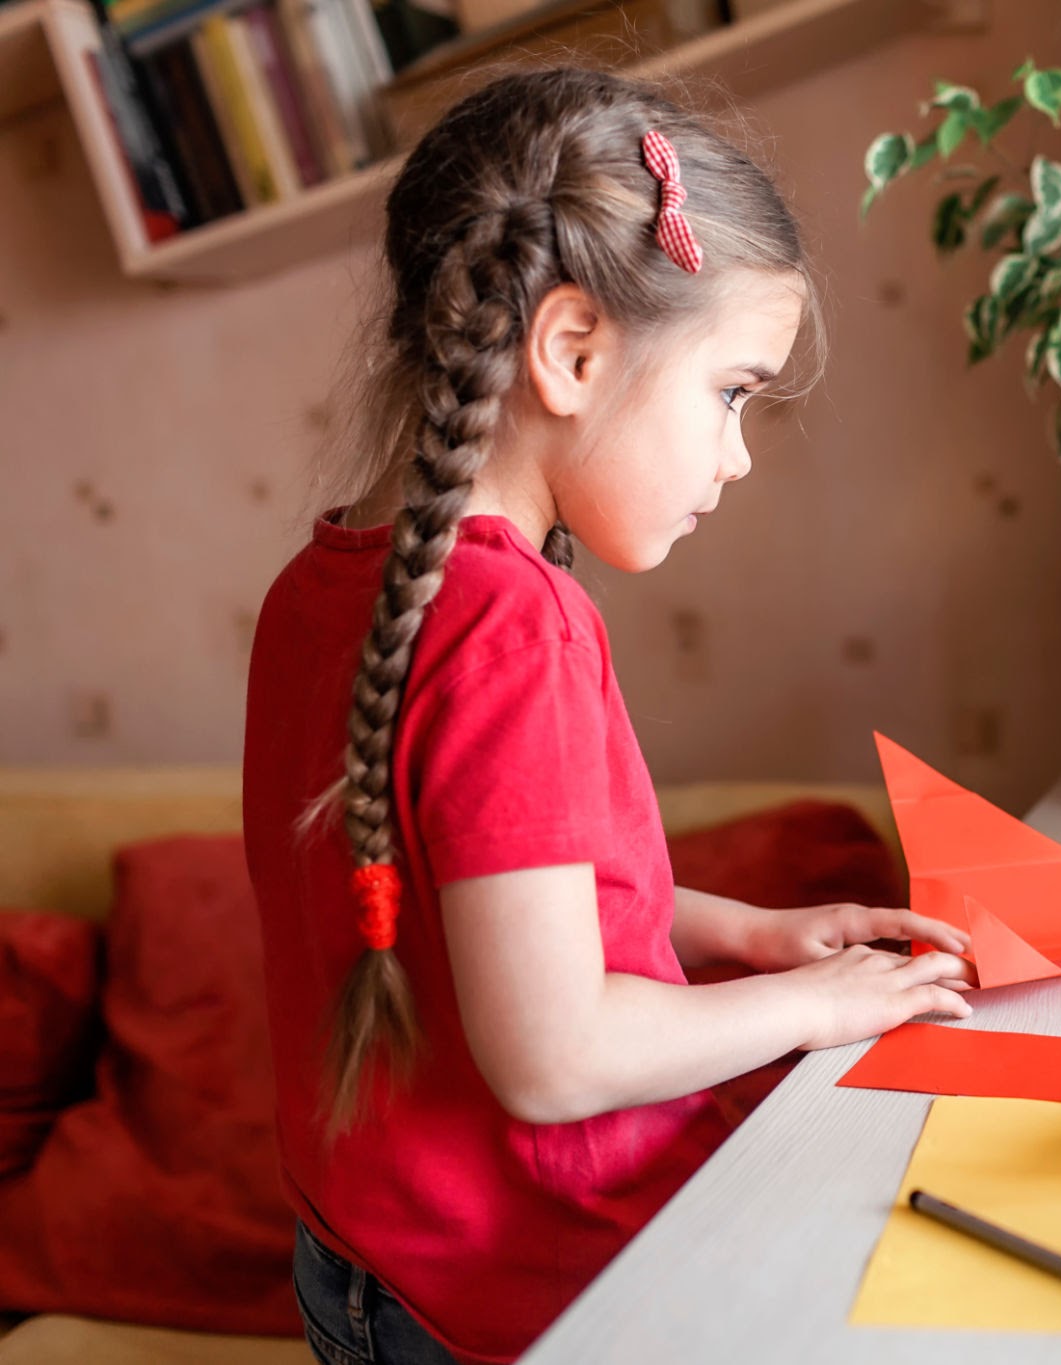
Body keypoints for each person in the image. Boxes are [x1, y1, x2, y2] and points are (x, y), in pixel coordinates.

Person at [240, 69, 973, 1365]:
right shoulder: (510, 624)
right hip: (512, 1298)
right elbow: (559, 1055)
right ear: (572, 351)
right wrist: (830, 1006)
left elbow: (481, 882)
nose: (738, 455)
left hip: (358, 1265)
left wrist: (750, 932)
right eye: (734, 391)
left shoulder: (325, 584)